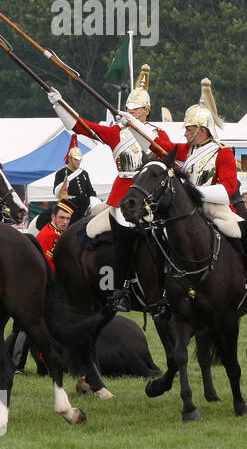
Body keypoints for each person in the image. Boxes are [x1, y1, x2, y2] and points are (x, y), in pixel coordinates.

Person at [47, 64, 175, 313]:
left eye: (135, 110)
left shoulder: (158, 133)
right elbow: (82, 126)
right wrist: (59, 104)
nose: (129, 112)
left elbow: (164, 151)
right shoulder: (117, 132)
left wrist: (138, 129)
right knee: (122, 231)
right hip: (124, 196)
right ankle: (119, 288)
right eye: (127, 109)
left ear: (146, 112)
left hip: (153, 195)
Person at [171, 79, 247, 312]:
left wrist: (194, 192)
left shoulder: (223, 152)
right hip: (188, 210)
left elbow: (227, 188)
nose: (185, 132)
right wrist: (134, 124)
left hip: (214, 207)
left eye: (189, 128)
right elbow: (157, 144)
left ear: (201, 129)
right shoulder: (186, 150)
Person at [52, 141, 94, 223]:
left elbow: (90, 191)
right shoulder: (61, 173)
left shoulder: (84, 173)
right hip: (69, 205)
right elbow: (56, 192)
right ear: (70, 159)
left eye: (79, 160)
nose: (78, 162)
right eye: (75, 159)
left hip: (84, 204)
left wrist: (93, 199)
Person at [37, 201, 74, 273]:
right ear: (53, 217)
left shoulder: (59, 231)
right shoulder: (47, 235)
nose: (65, 222)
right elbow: (47, 266)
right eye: (62, 218)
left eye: (68, 218)